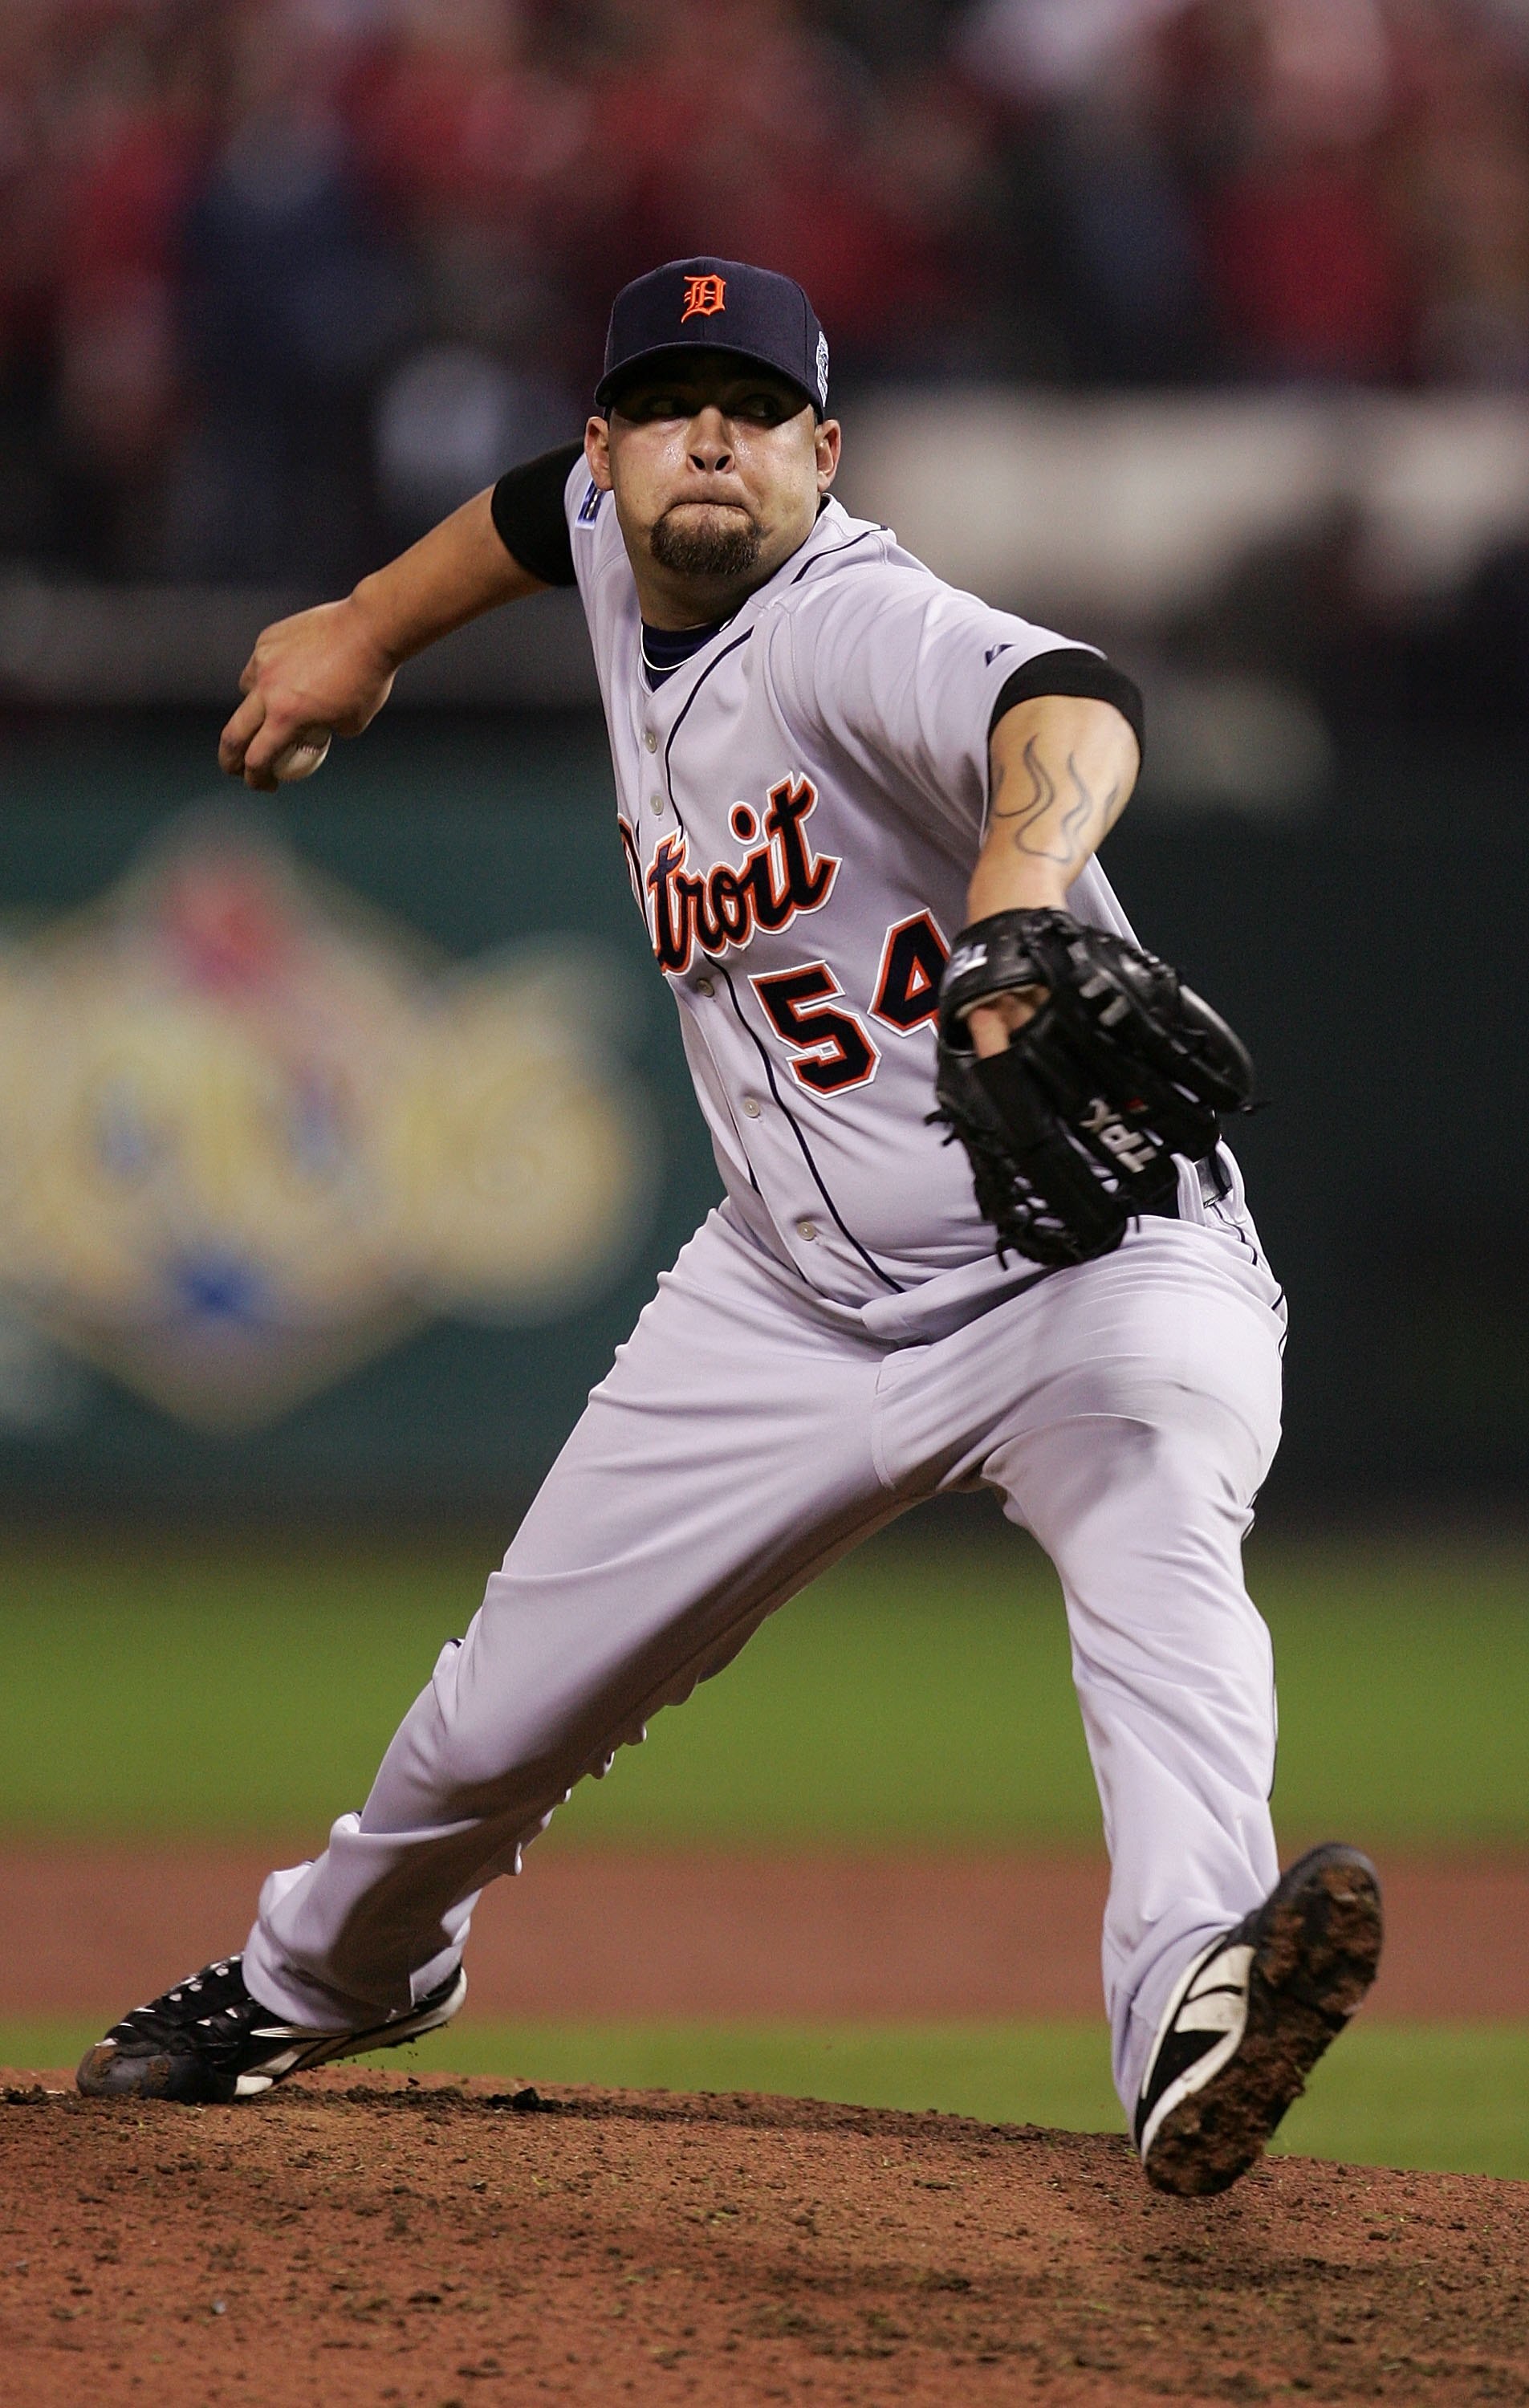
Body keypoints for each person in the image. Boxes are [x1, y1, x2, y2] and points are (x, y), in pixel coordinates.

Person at [77, 256, 1381, 2197]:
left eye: (758, 409)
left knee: (1165, 1559)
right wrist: (364, 622)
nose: (715, 435)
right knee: (484, 1728)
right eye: (673, 401)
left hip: (1091, 1259)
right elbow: (527, 522)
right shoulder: (605, 530)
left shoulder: (854, 624)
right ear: (607, 445)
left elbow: (1066, 696)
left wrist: (1021, 892)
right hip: (778, 1298)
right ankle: (320, 1976)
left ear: (820, 453)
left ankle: (1189, 2000)